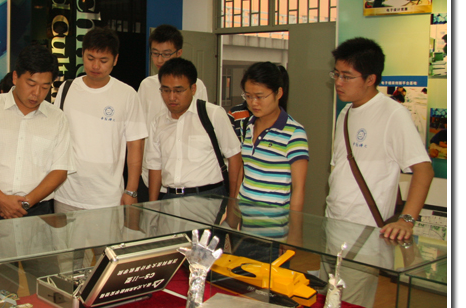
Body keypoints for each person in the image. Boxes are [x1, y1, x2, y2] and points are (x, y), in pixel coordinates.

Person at [326, 37, 433, 241]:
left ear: (370, 79)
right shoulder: (345, 113)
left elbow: (424, 170)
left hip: (369, 230)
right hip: (333, 222)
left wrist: (406, 220)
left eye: (347, 76)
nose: (338, 82)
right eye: (336, 74)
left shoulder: (393, 113)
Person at [0, 44, 73, 222]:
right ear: (16, 77)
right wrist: (1, 199)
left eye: (45, 87)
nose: (36, 93)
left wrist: (25, 203)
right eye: (31, 84)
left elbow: (60, 170)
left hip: (36, 210)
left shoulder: (57, 118)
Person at [53, 27, 147, 212]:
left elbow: (135, 146)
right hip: (66, 193)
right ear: (82, 54)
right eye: (90, 58)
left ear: (115, 60)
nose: (96, 66)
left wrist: (131, 190)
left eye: (103, 60)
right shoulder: (66, 89)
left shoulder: (127, 94)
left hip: (107, 197)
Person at [234, 62, 308, 255]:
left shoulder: (294, 132)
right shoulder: (248, 125)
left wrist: (295, 234)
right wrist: (233, 212)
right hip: (245, 227)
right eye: (248, 96)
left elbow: (299, 188)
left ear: (278, 93)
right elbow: (245, 169)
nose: (253, 103)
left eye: (260, 96)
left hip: (274, 232)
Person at [145, 57, 242, 202]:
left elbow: (234, 157)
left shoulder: (213, 114)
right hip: (170, 198)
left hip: (209, 196)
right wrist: (152, 205)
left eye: (178, 90)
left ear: (193, 89)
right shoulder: (158, 122)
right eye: (165, 90)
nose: (171, 97)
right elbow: (154, 166)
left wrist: (233, 201)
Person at [137, 24, 209, 202]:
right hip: (149, 174)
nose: (160, 60)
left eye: (166, 54)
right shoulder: (146, 86)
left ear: (179, 53)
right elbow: (139, 130)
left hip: (184, 177)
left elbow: (200, 129)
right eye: (155, 53)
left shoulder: (196, 86)